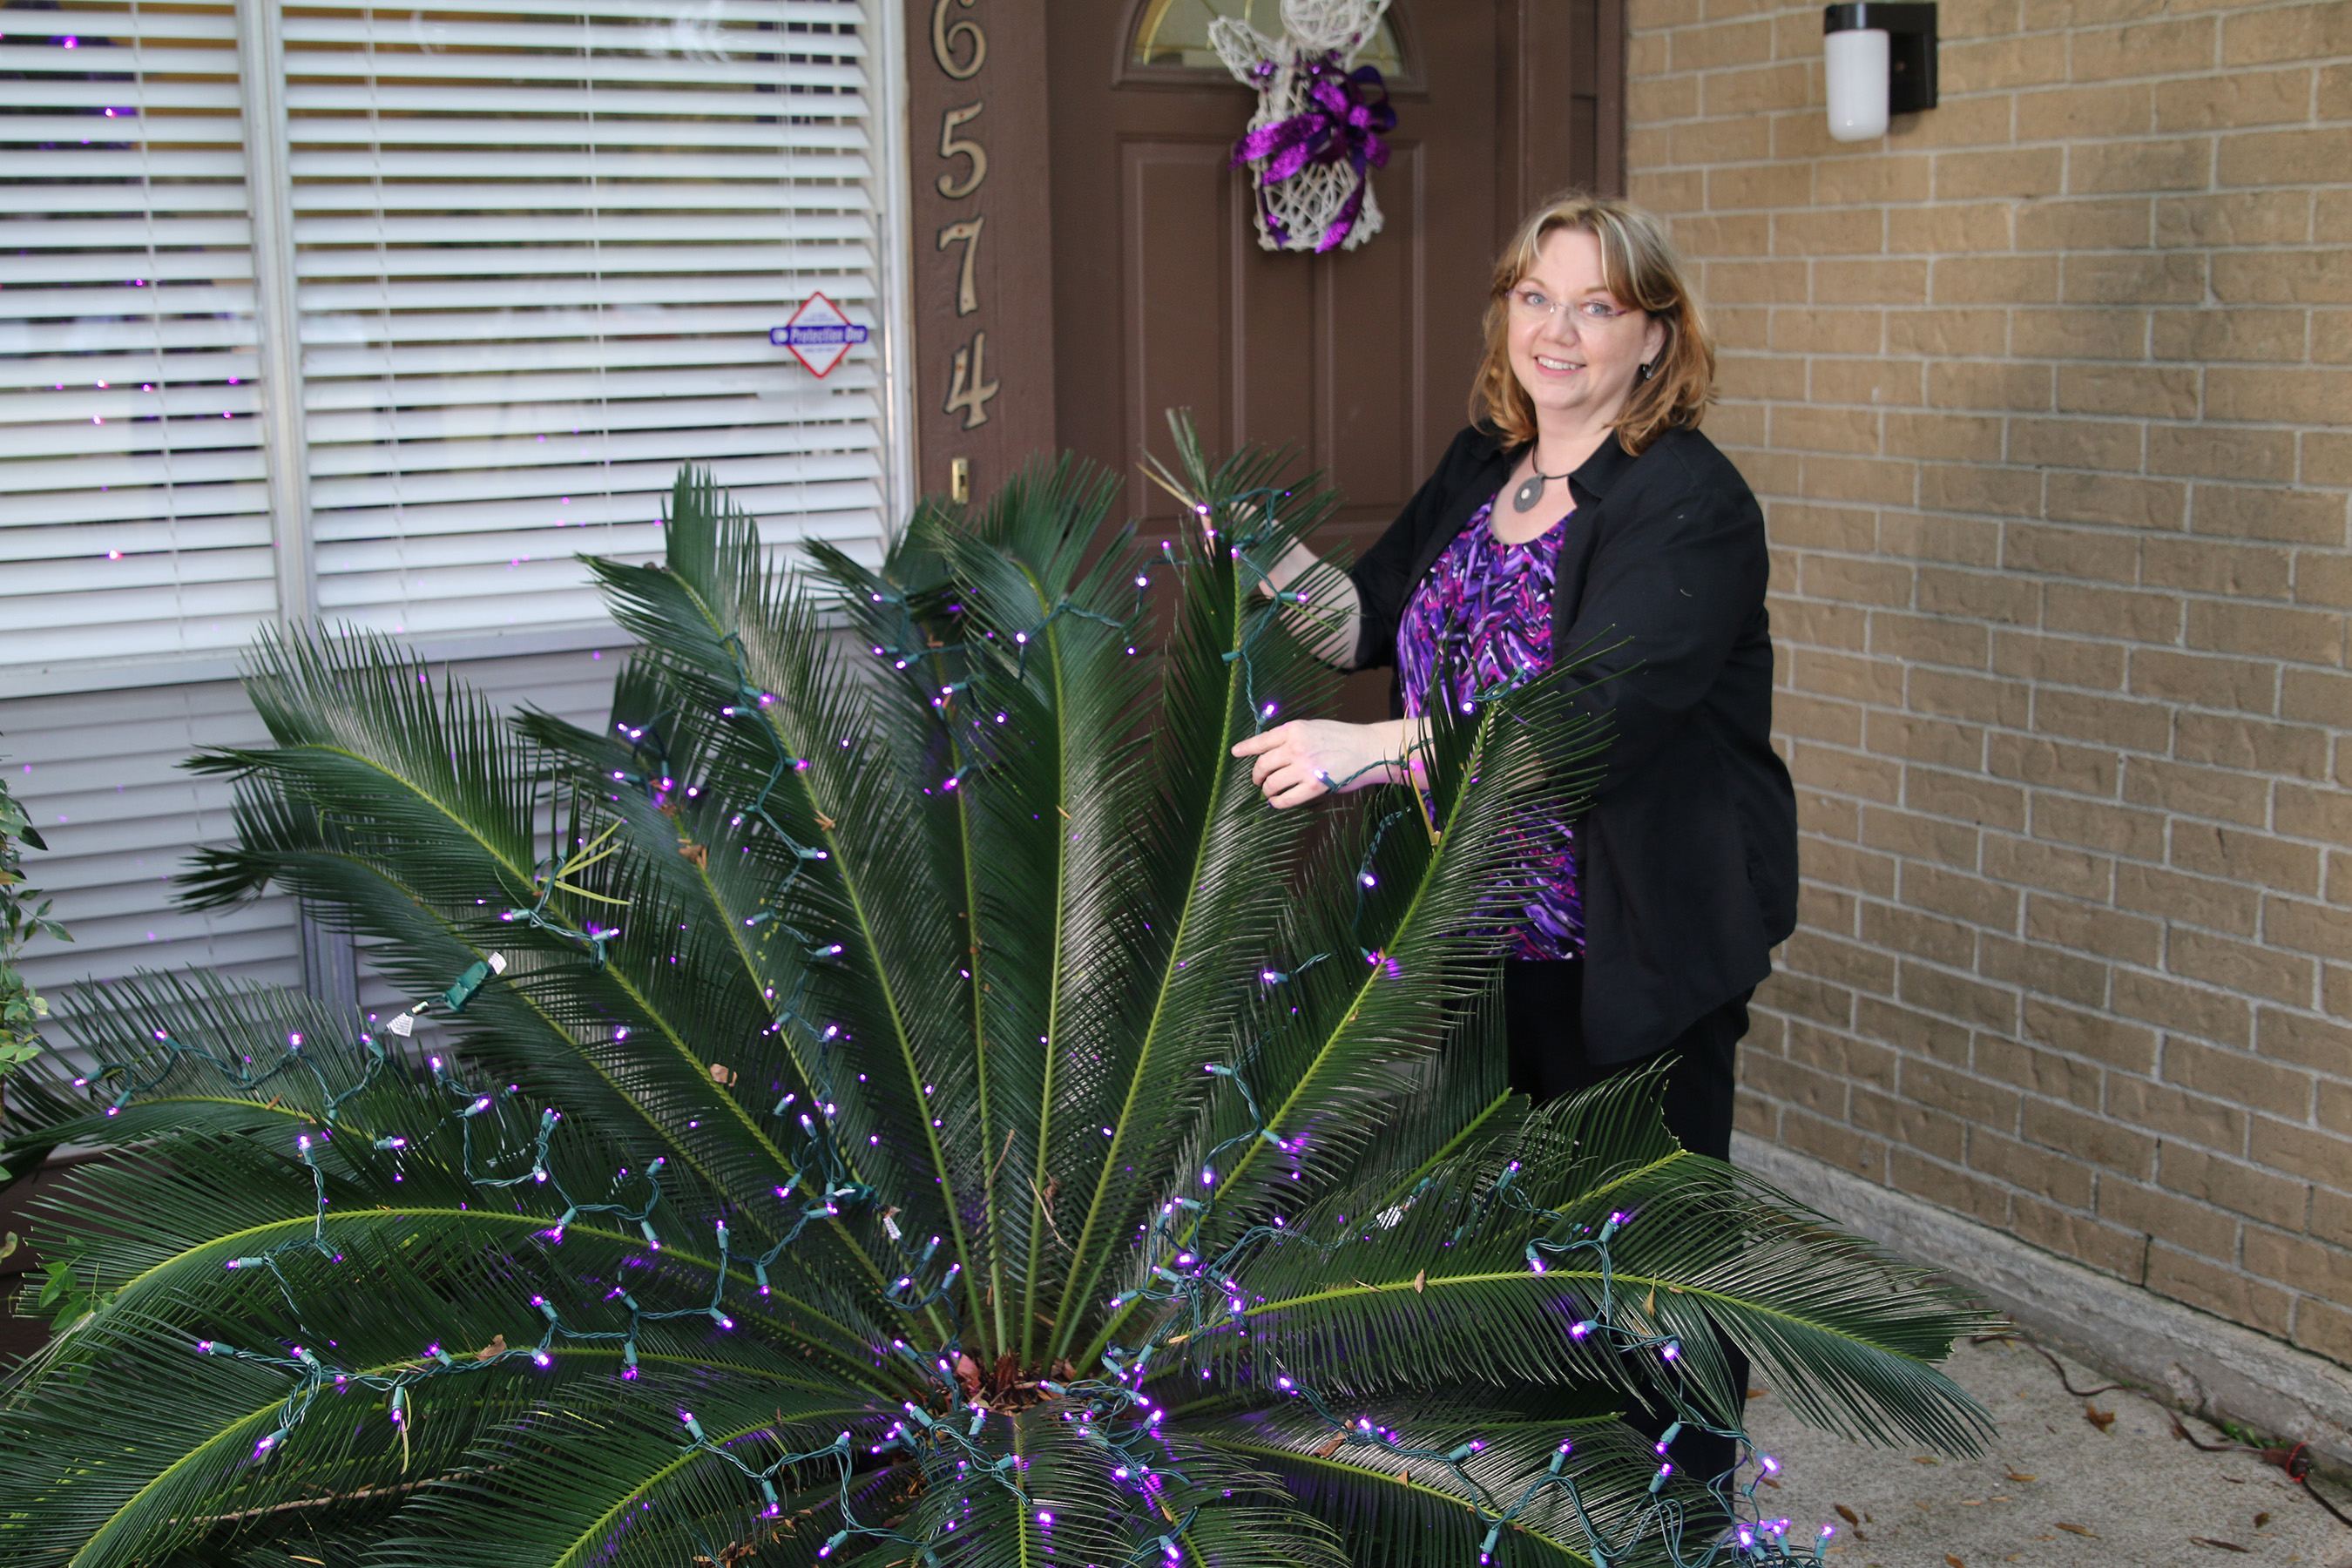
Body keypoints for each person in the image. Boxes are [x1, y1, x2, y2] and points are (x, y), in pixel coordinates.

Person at [1230, 191, 1798, 1487]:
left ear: (1654, 334)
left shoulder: (1688, 503)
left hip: (1635, 943)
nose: (1560, 329)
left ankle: (1680, 1512)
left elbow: (1583, 720)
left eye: (1598, 304)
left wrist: (1365, 752)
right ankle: (1557, 1495)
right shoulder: (1491, 461)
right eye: (1537, 296)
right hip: (1489, 933)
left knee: (1651, 1254)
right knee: (1516, 1246)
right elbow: (1364, 619)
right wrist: (1257, 553)